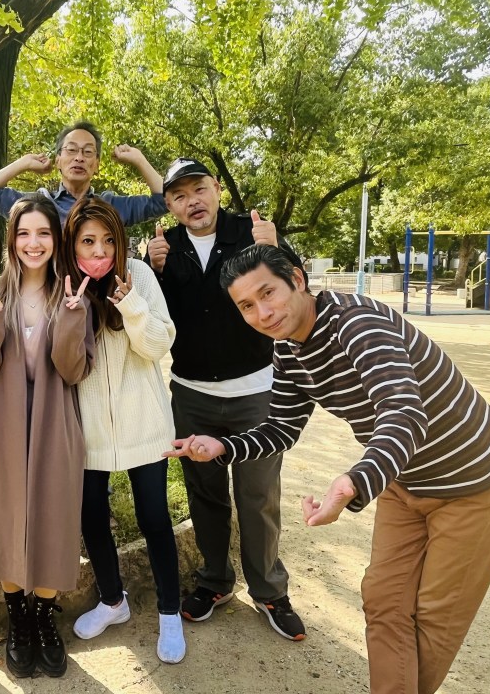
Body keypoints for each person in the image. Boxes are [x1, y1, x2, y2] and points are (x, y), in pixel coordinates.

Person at [166, 244, 490, 694]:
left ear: (297, 279)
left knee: (435, 615)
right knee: (384, 600)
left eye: (268, 293)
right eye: (247, 306)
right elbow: (282, 428)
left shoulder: (357, 324)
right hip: (404, 480)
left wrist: (354, 481)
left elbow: (403, 413)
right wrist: (223, 445)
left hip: (476, 482)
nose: (263, 313)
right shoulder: (288, 350)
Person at [146, 157, 306, 640]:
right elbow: (156, 317)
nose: (192, 202)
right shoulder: (164, 248)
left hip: (256, 392)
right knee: (205, 493)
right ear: (169, 205)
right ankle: (214, 581)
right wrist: (155, 270)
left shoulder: (252, 232)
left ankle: (270, 590)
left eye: (199, 189)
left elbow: (297, 290)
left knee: (258, 497)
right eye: (179, 196)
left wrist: (277, 250)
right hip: (191, 394)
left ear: (216, 189)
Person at [0, 194, 94, 679]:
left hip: (54, 425)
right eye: (23, 233)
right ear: (12, 240)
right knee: (5, 520)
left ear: (55, 239)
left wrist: (74, 317)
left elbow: (72, 370)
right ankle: (17, 619)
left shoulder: (71, 294)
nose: (33, 243)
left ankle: (43, 618)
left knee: (52, 520)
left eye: (43, 233)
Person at [61, 197, 186, 664]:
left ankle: (170, 611)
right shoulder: (64, 283)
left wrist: (130, 303)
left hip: (144, 423)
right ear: (73, 244)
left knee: (154, 518)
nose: (100, 251)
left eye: (108, 240)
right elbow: (63, 363)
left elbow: (157, 345)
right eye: (88, 241)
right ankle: (113, 600)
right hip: (88, 429)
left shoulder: (140, 275)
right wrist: (72, 314)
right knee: (91, 517)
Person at [0, 121, 167, 226]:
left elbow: (164, 201)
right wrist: (23, 163)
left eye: (88, 152)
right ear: (58, 161)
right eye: (71, 150)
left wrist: (139, 160)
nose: (79, 158)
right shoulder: (37, 204)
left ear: (97, 165)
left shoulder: (110, 206)